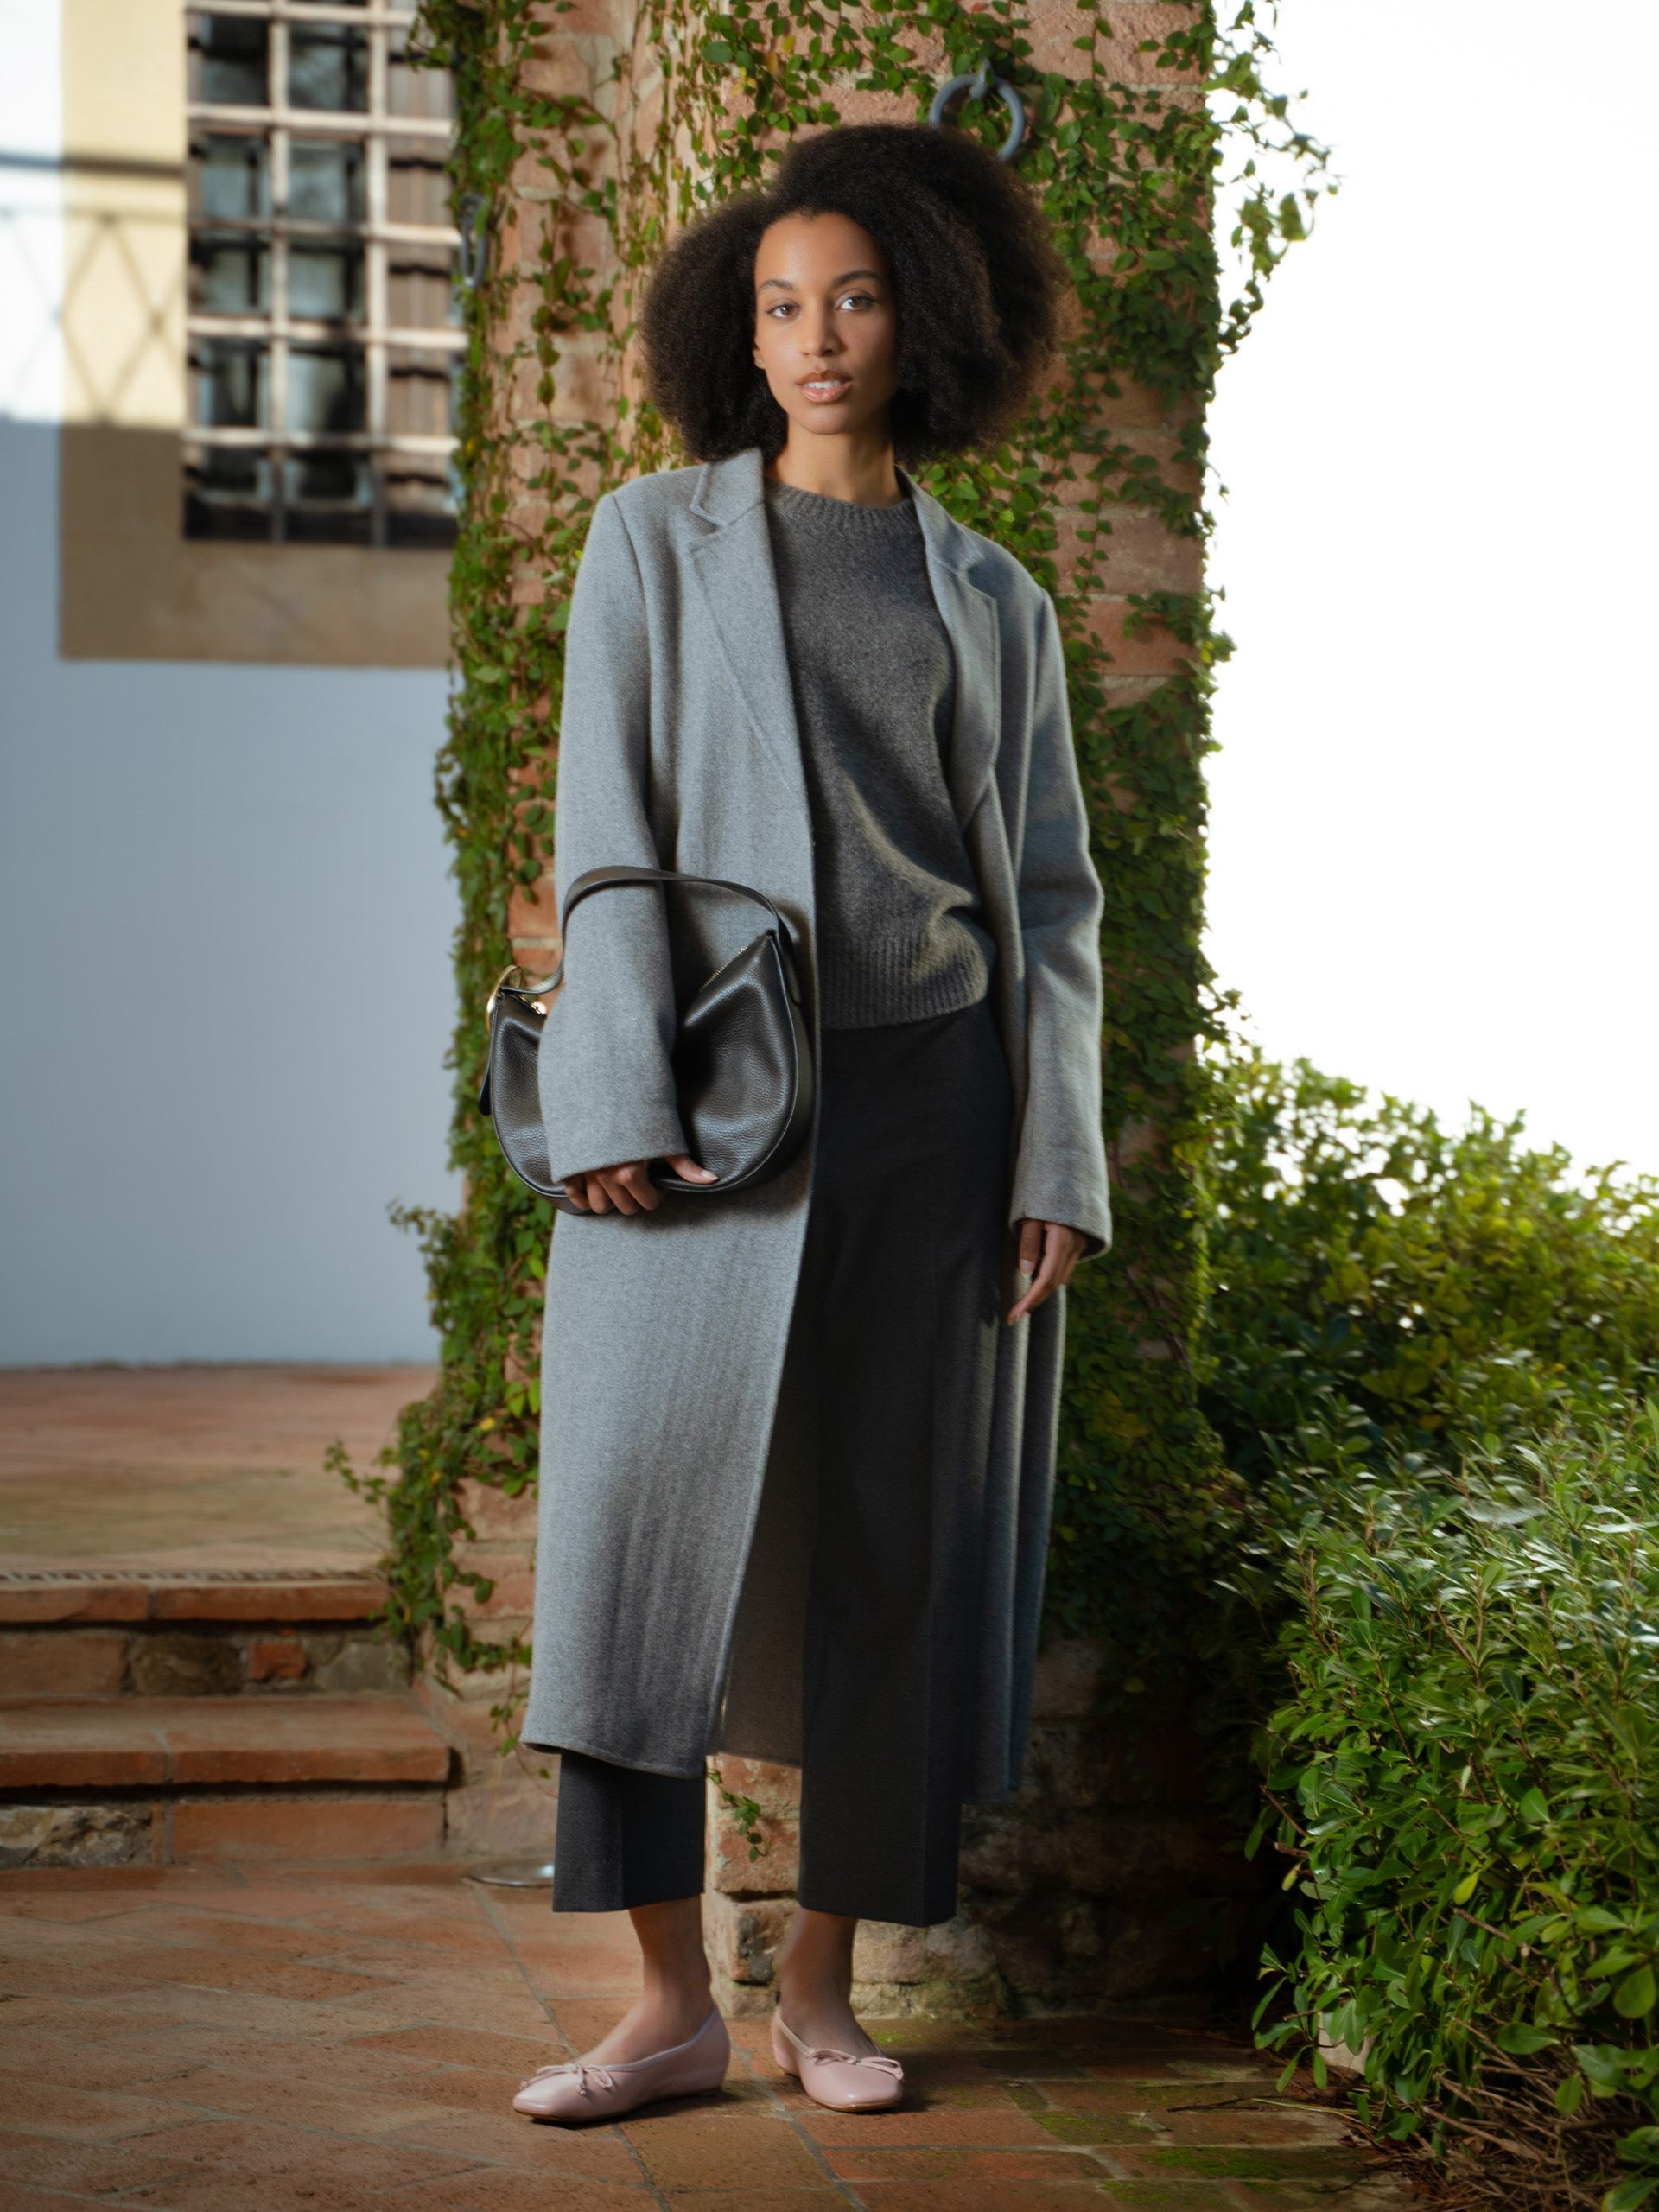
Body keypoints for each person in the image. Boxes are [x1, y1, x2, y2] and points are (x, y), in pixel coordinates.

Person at [510, 119, 1111, 2126]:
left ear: (917, 321)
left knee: (891, 1549)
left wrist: (1053, 1153)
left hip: (937, 1104)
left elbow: (1051, 903)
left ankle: (820, 1994)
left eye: (853, 298)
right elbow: (606, 831)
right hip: (705, 1105)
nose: (818, 336)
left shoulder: (995, 598)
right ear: (739, 335)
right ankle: (662, 2001)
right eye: (781, 305)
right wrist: (611, 1088)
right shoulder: (650, 542)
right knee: (630, 1533)